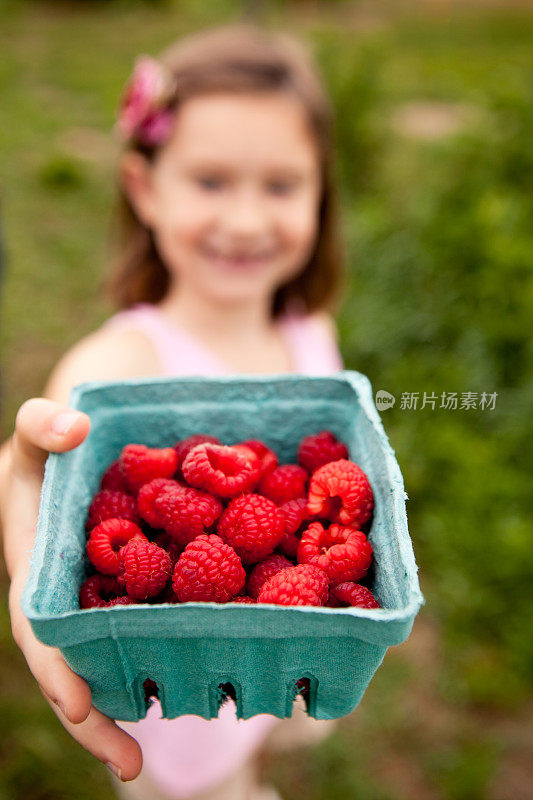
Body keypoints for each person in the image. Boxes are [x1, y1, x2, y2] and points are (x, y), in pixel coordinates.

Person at [0, 23, 345, 800]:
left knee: (248, 744)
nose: (248, 220)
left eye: (282, 185)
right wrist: (24, 509)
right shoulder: (115, 366)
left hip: (271, 659)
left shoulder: (310, 332)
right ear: (143, 187)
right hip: (161, 700)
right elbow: (40, 468)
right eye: (212, 181)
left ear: (322, 191)